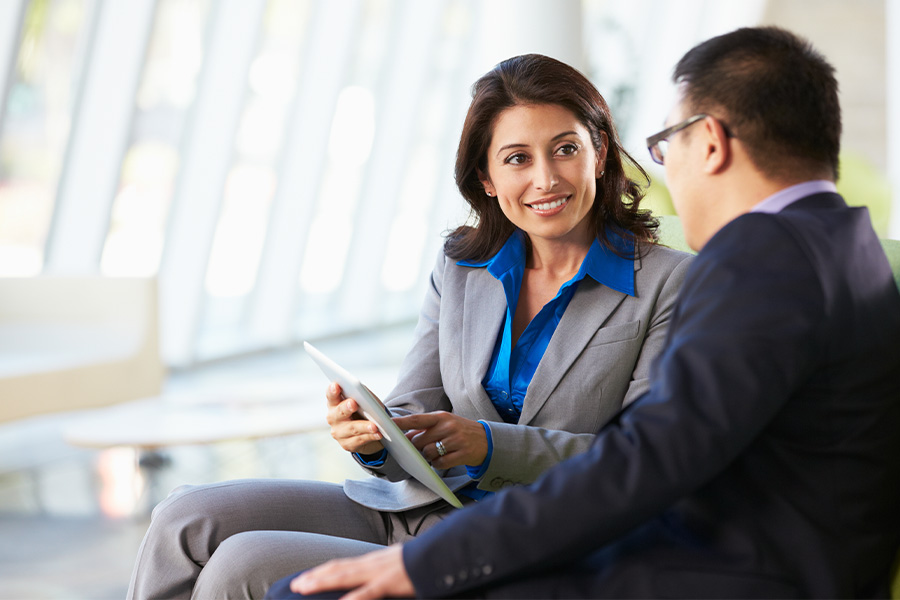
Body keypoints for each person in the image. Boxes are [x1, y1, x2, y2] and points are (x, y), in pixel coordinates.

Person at [270, 26, 900, 600]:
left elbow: (646, 461)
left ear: (708, 142)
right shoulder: (847, 245)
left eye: (665, 145)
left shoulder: (758, 264)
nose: (667, 173)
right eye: (516, 157)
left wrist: (430, 563)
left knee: (302, 592)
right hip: (766, 560)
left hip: (726, 574)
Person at [126, 54, 692, 599]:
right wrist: (374, 436)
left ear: (598, 154)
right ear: (487, 179)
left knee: (244, 564)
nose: (545, 178)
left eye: (565, 149)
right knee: (183, 515)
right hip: (416, 506)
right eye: (517, 158)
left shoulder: (670, 281)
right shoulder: (463, 266)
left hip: (530, 534)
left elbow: (639, 461)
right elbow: (413, 406)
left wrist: (490, 445)